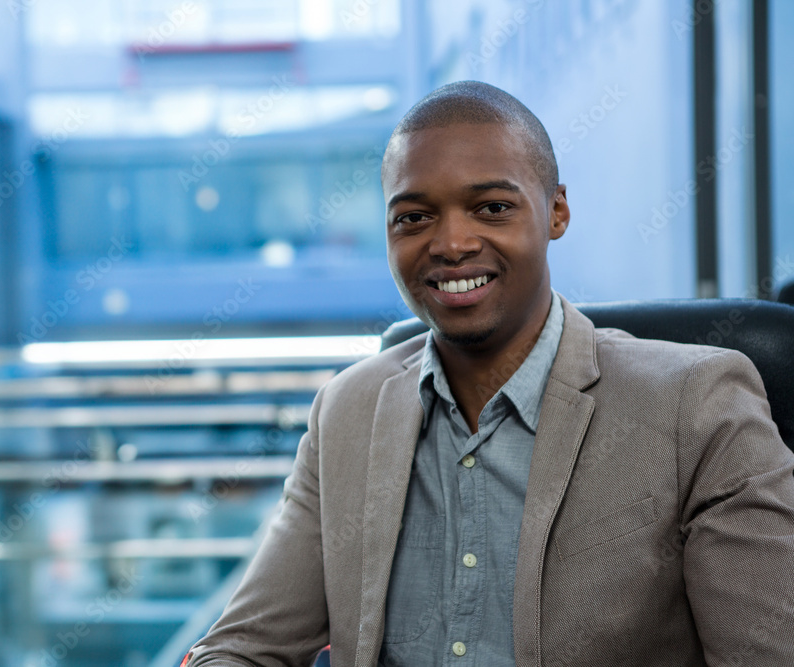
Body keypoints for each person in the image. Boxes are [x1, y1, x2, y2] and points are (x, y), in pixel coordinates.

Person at [183, 81, 794, 666]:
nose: (450, 244)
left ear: (555, 211)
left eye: (492, 207)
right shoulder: (348, 410)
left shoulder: (695, 406)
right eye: (413, 218)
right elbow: (242, 648)